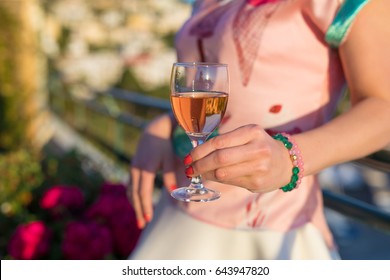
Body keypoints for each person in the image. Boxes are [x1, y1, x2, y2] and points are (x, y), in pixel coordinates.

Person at [128, 0, 390, 259]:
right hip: (180, 205)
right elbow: (209, 84)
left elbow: (383, 107)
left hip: (269, 221)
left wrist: (289, 158)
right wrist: (168, 124)